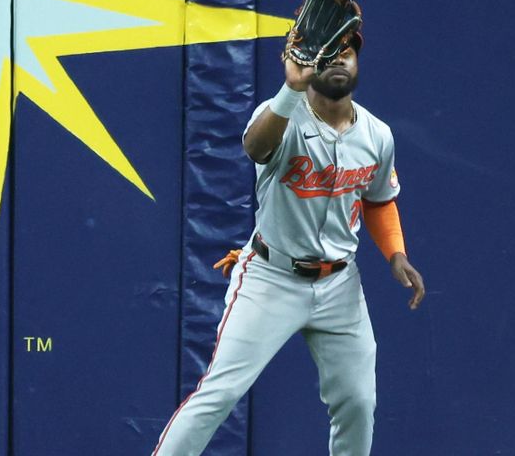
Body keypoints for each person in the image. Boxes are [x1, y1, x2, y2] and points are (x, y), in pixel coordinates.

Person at [152, 31, 425, 456]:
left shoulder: (377, 135)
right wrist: (289, 89)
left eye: (347, 53)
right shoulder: (280, 115)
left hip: (339, 286)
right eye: (328, 53)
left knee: (357, 402)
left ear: (358, 63)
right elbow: (255, 147)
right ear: (309, 63)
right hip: (271, 277)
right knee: (219, 394)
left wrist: (396, 253)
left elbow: (378, 200)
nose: (338, 61)